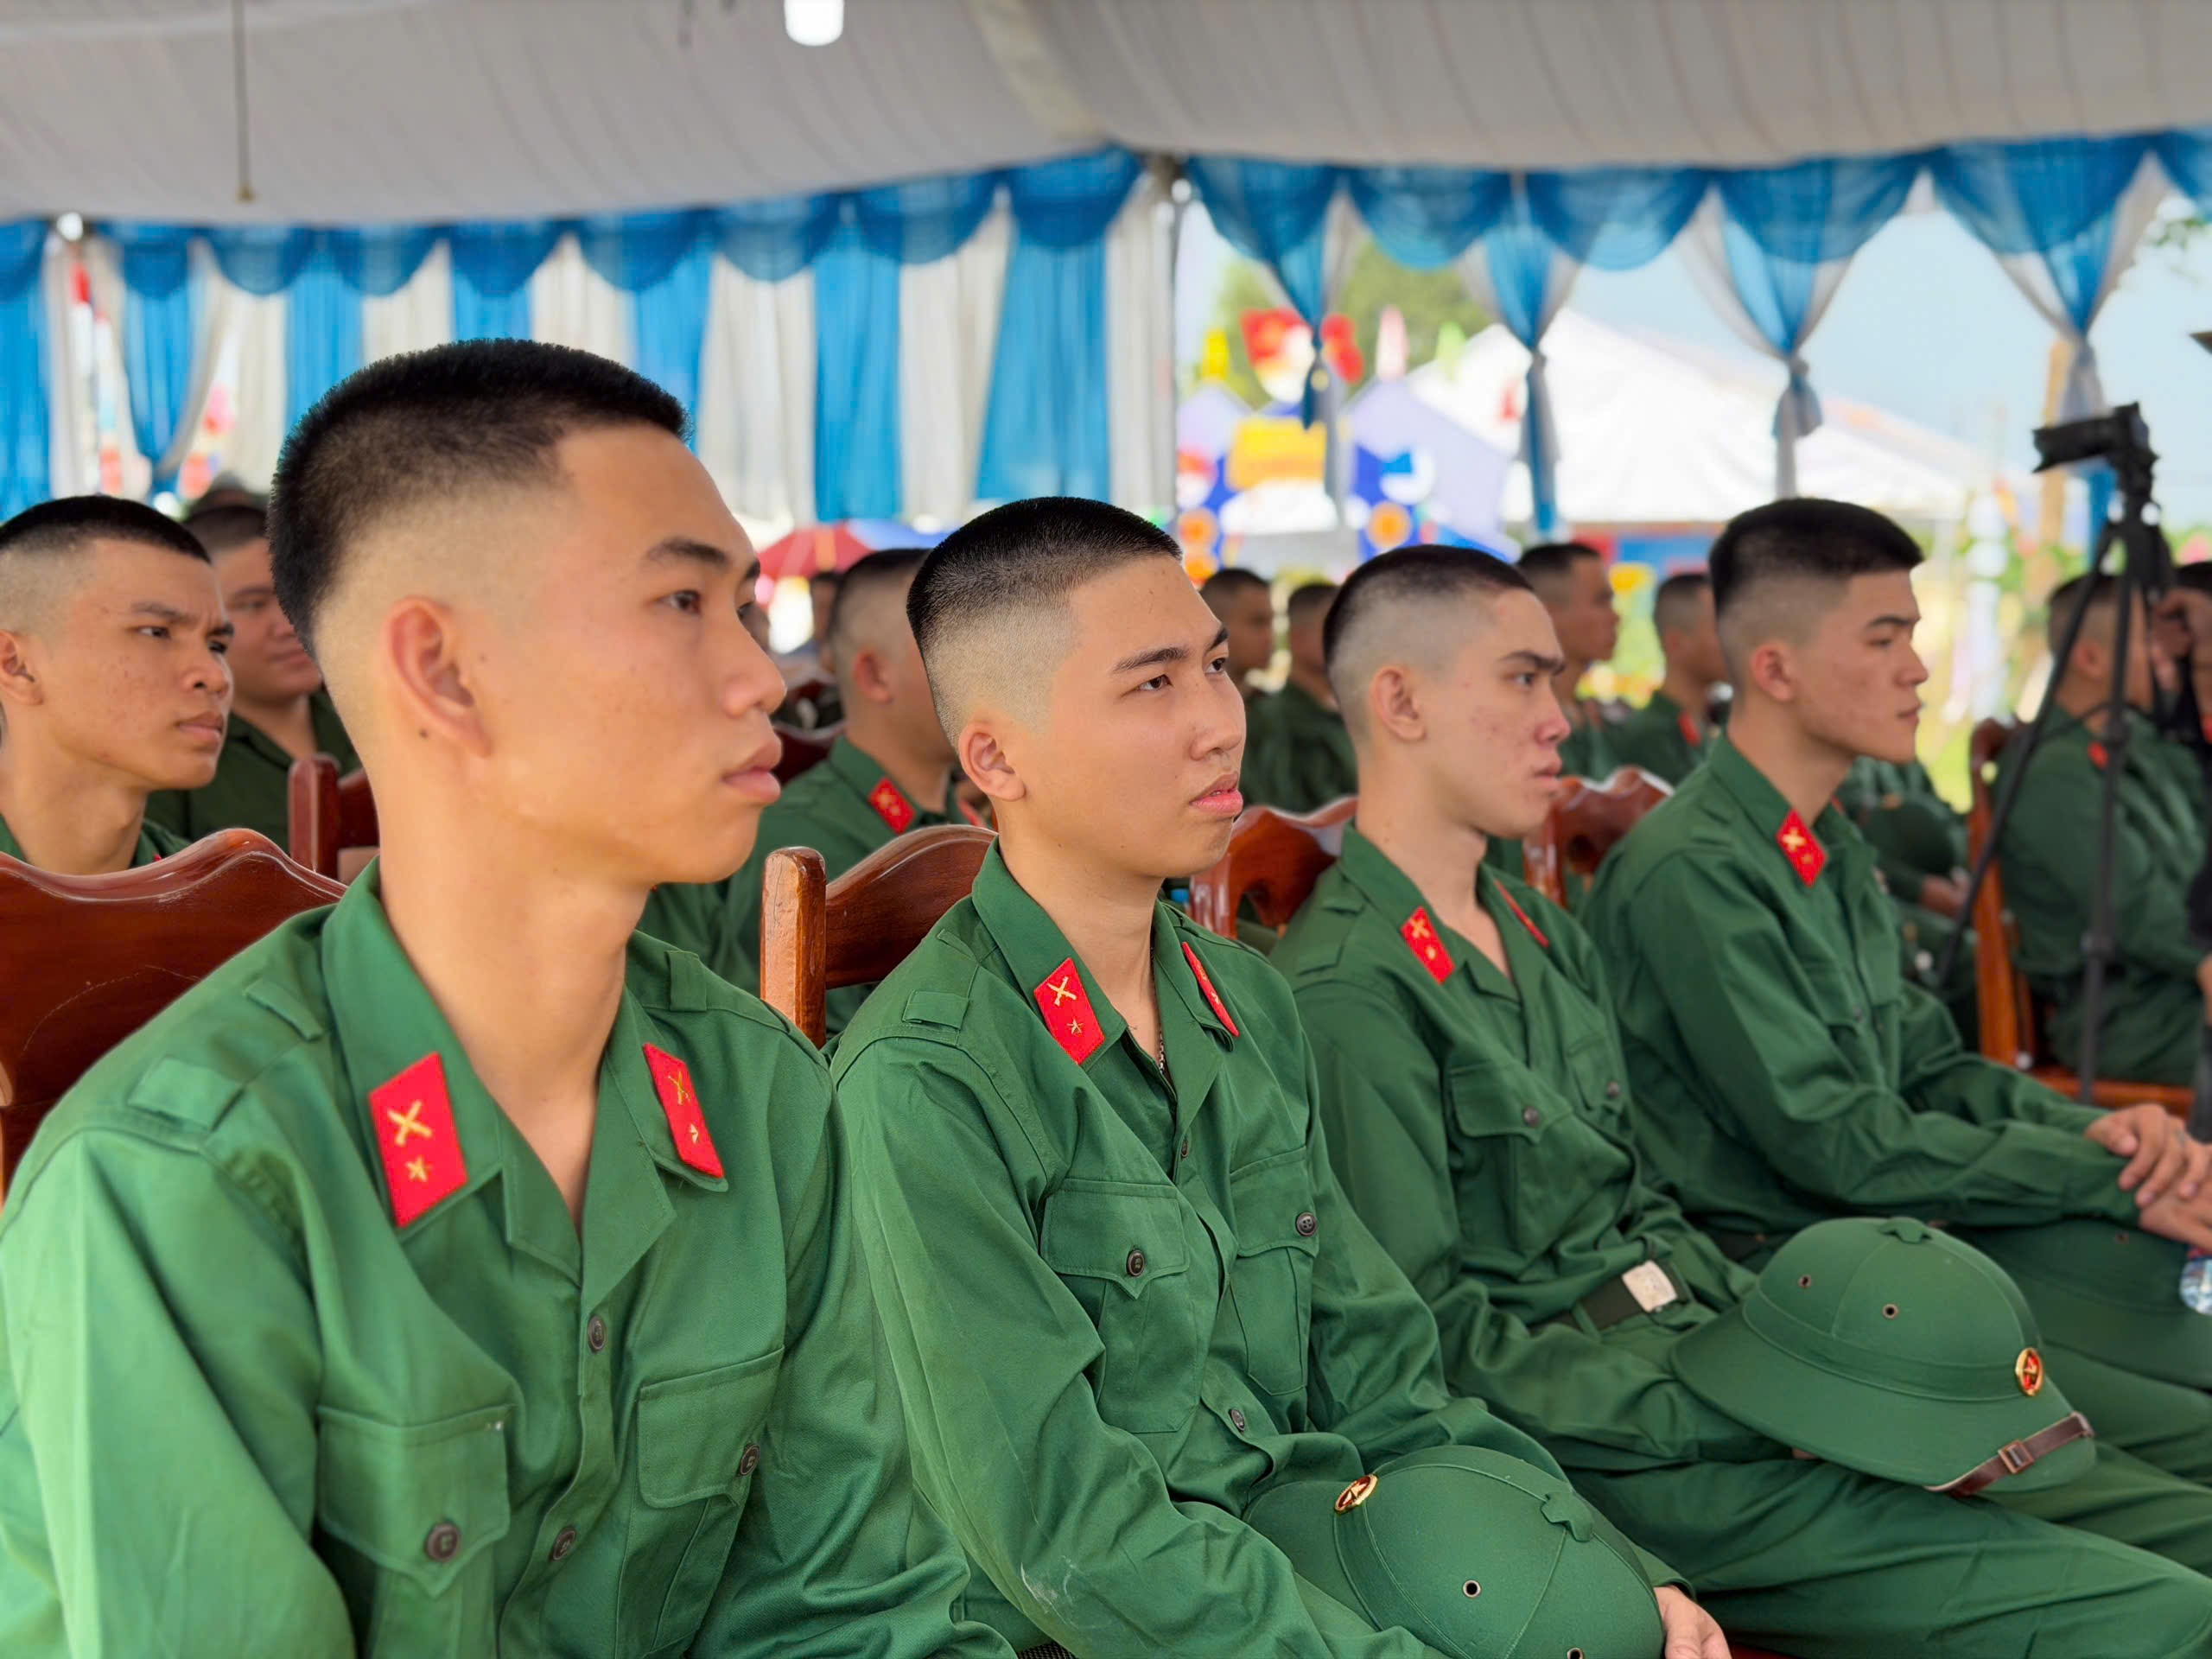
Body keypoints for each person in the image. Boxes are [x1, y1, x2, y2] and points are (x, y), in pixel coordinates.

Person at [0, 341, 1008, 1659]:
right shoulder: (185, 1173)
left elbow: (857, 1612)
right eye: (680, 604)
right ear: (444, 671)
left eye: (744, 609)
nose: (762, 679)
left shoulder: (759, 1089)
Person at [1273, 543, 2212, 1651]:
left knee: (2145, 1502)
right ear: (1400, 702)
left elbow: (1643, 1203)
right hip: (1613, 1444)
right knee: (2167, 1612)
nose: (1559, 721)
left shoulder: (1532, 929)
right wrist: (1729, 1410)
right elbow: (1433, 1340)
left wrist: (1786, 1364)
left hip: (1709, 1345)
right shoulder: (1352, 990)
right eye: (1523, 679)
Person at [832, 499, 1726, 1659]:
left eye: (1215, 666)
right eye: (1153, 685)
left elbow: (1390, 1376)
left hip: (1321, 1553)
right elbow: (1071, 1541)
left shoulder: (1242, 1000)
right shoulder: (923, 1081)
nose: (1219, 724)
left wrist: (1606, 1566)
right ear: (998, 757)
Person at [1585, 497, 2212, 1498]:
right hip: (1803, 1281)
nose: (1916, 669)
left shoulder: (1822, 842)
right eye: (1883, 639)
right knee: (2174, 1471)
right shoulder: (1695, 870)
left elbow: (1930, 1062)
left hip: (1902, 1231)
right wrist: (2107, 1178)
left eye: (1910, 637)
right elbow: (1837, 1146)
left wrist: (2101, 1136)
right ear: (1775, 669)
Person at [641, 546, 956, 1030]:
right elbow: (810, 1051)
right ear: (875, 673)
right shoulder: (797, 841)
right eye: (951, 644)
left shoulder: (966, 816)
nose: (767, 679)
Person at [1994, 572, 2209, 1088]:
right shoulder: (2051, 773)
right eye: (2147, 641)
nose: (2164, 655)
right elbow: (2136, 911)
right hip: (2129, 1016)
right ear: (2091, 659)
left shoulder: (2137, 741)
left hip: (2180, 989)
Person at [0, 495, 229, 873]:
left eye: (217, 645)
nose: (216, 677)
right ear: (16, 666)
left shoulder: (225, 892)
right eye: (156, 632)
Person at [143, 499, 361, 845]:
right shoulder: (172, 752)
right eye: (254, 604)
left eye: (297, 595)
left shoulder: (367, 720)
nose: (290, 624)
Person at [1244, 578, 1357, 812]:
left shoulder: (1353, 714)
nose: (1347, 640)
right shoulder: (1271, 722)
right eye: (1334, 628)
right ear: (1296, 638)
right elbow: (1280, 814)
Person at [1517, 541, 1620, 781]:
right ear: (1545, 614)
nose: (1616, 617)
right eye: (1601, 601)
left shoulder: (1587, 715)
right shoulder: (1522, 722)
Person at [1611, 572, 1722, 786]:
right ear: (1676, 643)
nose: (1734, 641)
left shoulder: (1708, 721)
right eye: (1719, 630)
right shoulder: (1650, 736)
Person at [1199, 564, 1276, 705]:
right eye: (1257, 622)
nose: (1269, 637)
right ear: (1214, 626)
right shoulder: (1185, 707)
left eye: (1270, 623)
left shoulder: (1268, 707)